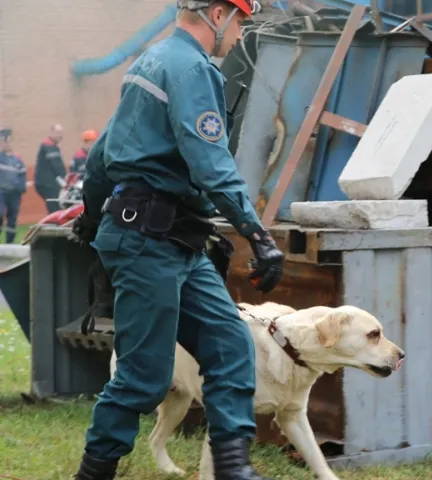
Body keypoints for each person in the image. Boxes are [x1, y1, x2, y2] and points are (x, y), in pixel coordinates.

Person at [69, 1, 284, 479]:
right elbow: (210, 163)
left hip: (174, 241)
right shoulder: (190, 69)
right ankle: (92, 474)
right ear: (216, 12)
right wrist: (257, 233)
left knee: (230, 344)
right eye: (242, 19)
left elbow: (104, 151)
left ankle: (232, 469)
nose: (240, 32)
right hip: (149, 241)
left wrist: (90, 214)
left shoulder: (150, 60)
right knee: (143, 378)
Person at [0, 129, 27, 243]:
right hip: (1, 192)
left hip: (14, 194)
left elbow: (22, 175)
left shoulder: (18, 160)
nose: (7, 144)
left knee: (12, 218)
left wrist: (21, 188)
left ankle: (9, 243)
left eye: (9, 141)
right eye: (4, 141)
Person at [34, 123, 67, 214]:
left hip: (47, 183)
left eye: (62, 133)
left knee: (54, 206)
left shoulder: (49, 146)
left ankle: (53, 224)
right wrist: (65, 179)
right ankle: (54, 225)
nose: (61, 136)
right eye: (58, 133)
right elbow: (57, 165)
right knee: (54, 207)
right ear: (51, 132)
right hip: (49, 183)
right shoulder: (49, 146)